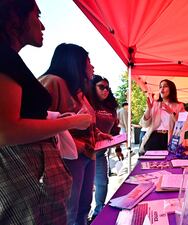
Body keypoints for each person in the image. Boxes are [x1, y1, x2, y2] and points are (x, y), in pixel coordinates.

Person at [0, 1, 91, 224]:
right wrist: (72, 122)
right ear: (15, 16)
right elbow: (7, 130)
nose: (42, 26)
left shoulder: (11, 60)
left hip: (34, 184)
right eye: (37, 15)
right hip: (27, 183)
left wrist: (57, 118)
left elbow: (24, 116)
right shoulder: (6, 58)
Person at [39, 43, 110, 225]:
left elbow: (85, 122)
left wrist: (98, 134)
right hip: (69, 158)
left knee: (84, 206)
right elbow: (40, 122)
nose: (92, 66)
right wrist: (76, 142)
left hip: (88, 155)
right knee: (70, 211)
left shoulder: (79, 92)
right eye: (88, 61)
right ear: (76, 62)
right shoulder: (52, 82)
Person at [88, 75, 122, 222]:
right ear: (92, 87)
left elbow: (115, 131)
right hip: (83, 152)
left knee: (102, 182)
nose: (105, 90)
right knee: (84, 188)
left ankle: (98, 213)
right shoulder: (87, 103)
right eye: (101, 87)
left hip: (101, 153)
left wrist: (118, 148)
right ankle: (81, 217)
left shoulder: (111, 108)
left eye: (107, 88)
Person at [139, 79, 185, 154]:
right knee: (151, 164)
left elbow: (181, 126)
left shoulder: (179, 105)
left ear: (171, 89)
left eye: (165, 86)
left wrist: (172, 113)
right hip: (153, 137)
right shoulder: (154, 104)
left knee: (168, 163)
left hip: (169, 139)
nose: (162, 89)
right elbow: (144, 124)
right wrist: (149, 109)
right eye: (160, 87)